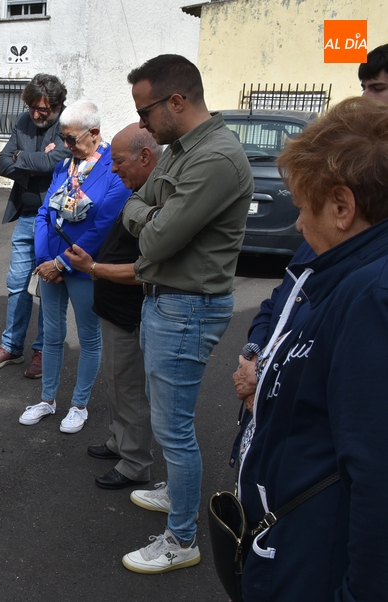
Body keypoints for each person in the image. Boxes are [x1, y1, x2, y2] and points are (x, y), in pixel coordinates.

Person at [238, 97, 388, 601]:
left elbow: (376, 475)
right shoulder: (351, 279)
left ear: (342, 207)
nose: (299, 225)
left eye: (304, 207)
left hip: (318, 564)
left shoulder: (370, 297)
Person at [119, 54, 253, 574]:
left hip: (187, 307)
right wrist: (148, 214)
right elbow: (142, 199)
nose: (145, 126)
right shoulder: (182, 149)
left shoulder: (214, 158)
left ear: (176, 101)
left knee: (174, 430)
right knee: (165, 415)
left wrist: (147, 217)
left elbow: (156, 234)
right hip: (167, 301)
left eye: (146, 111)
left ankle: (181, 540)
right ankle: (176, 491)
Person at [17, 100, 129, 434]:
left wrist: (63, 262)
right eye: (63, 138)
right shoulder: (65, 166)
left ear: (94, 133)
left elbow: (105, 225)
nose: (65, 146)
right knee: (51, 334)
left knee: (89, 337)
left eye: (71, 139)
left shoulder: (114, 169)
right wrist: (43, 260)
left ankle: (79, 405)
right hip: (50, 265)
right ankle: (47, 399)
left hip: (82, 267)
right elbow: (43, 214)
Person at [65, 123, 161, 489]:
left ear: (146, 157)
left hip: (129, 309)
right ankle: (121, 441)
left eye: (119, 161)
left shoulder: (158, 198)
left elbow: (148, 270)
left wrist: (94, 268)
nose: (113, 167)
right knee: (118, 382)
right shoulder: (141, 190)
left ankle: (135, 462)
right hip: (116, 307)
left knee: (130, 387)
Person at [0, 74, 71, 378]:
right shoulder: (23, 121)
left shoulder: (67, 123)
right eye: (32, 108)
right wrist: (33, 159)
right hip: (26, 214)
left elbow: (57, 162)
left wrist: (23, 158)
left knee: (48, 287)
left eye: (42, 110)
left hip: (54, 220)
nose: (35, 114)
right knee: (17, 284)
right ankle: (12, 346)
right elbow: (2, 163)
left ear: (57, 105)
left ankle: (43, 349)